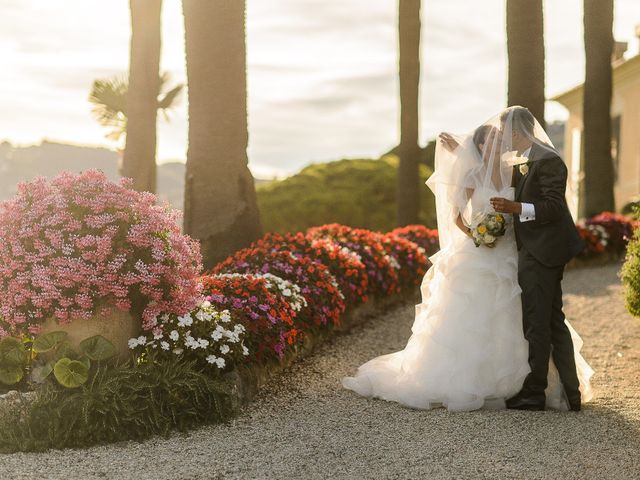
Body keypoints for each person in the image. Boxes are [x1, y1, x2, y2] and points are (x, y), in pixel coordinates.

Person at [341, 106, 593, 412]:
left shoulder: (531, 163)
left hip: (523, 252)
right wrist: (479, 232)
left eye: (503, 137)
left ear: (515, 133)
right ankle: (543, 389)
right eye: (494, 140)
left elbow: (544, 203)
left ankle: (545, 390)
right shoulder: (519, 162)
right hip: (500, 251)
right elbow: (471, 188)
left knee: (539, 322)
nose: (502, 144)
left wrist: (511, 211)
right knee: (536, 321)